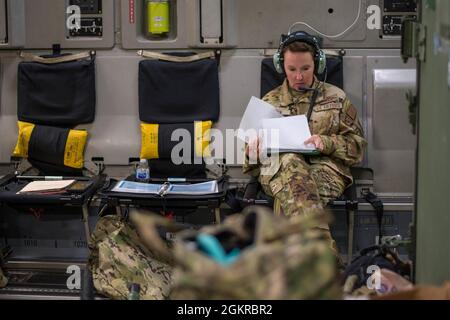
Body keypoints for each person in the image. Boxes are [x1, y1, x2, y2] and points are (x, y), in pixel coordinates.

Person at [243, 31, 367, 254]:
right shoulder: (268, 102)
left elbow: (357, 148)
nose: (298, 76)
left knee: (290, 194)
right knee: (290, 162)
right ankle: (324, 259)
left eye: (305, 69)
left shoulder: (337, 98)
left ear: (317, 65)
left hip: (327, 169)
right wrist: (252, 150)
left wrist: (327, 142)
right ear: (281, 67)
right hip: (277, 168)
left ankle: (291, 272)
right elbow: (250, 160)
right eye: (292, 69)